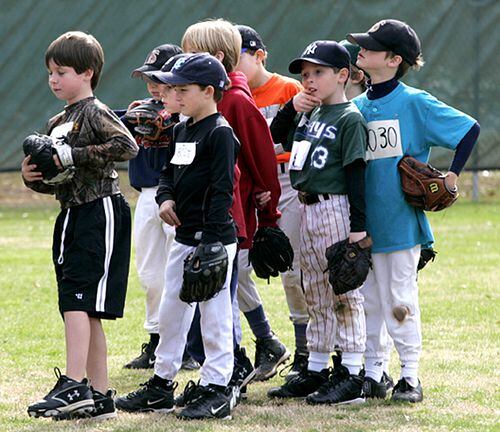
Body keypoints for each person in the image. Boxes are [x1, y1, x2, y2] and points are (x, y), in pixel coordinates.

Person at [347, 19, 480, 402]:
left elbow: (468, 130)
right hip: (361, 223)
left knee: (399, 298)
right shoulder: (355, 107)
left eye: (371, 47)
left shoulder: (413, 102)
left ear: (393, 59)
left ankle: (410, 375)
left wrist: (452, 176)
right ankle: (374, 373)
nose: (362, 50)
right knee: (368, 301)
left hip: (400, 222)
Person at [115, 53, 241, 420]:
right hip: (184, 235)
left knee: (214, 316)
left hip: (213, 238)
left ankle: (218, 386)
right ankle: (161, 383)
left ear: (209, 91)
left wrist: (213, 242)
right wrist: (166, 197)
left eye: (183, 89)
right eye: (173, 89)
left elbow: (223, 190)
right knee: (172, 310)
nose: (175, 95)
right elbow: (168, 173)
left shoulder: (220, 133)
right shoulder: (181, 129)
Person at [22, 31, 138, 420]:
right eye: (50, 73)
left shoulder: (94, 111)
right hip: (71, 211)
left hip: (99, 209)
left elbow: (126, 145)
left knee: (77, 298)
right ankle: (100, 396)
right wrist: (32, 175)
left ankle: (73, 384)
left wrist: (73, 153)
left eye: (63, 71)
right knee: (82, 306)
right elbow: (54, 173)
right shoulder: (59, 119)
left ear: (87, 73)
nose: (54, 79)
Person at [181, 19, 290, 386]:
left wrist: (268, 214)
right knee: (197, 300)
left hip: (228, 216)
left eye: (191, 54)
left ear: (216, 58)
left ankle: (232, 368)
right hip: (194, 214)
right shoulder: (195, 100)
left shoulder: (238, 102)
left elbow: (262, 161)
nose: (183, 60)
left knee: (217, 298)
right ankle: (230, 362)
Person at [267, 40, 369, 406]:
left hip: (336, 209)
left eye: (318, 73)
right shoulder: (310, 113)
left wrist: (358, 228)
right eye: (305, 75)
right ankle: (317, 367)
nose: (309, 81)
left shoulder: (349, 117)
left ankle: (353, 372)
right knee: (315, 291)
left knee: (344, 291)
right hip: (307, 207)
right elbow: (276, 135)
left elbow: (356, 174)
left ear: (342, 75)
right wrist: (292, 108)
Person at [234, 24, 309, 382]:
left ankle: (305, 350)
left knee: (292, 270)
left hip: (287, 182)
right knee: (235, 269)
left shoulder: (287, 89)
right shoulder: (230, 94)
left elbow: (302, 141)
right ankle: (266, 339)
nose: (232, 66)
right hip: (248, 189)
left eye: (239, 58)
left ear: (259, 55)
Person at [118, 43, 198, 371]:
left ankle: (189, 346)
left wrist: (175, 117)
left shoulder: (187, 116)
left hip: (176, 196)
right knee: (149, 274)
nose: (152, 85)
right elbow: (117, 124)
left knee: (180, 272)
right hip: (146, 197)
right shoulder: (140, 108)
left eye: (160, 79)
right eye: (148, 78)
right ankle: (155, 341)